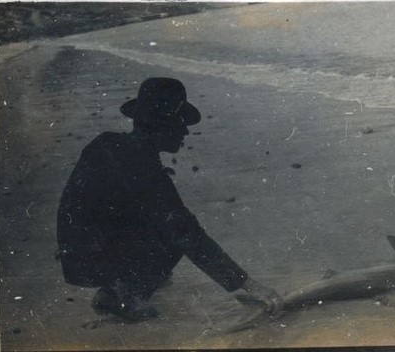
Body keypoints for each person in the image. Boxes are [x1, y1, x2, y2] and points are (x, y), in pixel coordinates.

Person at [56, 77, 282, 321]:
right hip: (93, 256)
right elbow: (185, 231)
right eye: (180, 123)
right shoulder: (142, 165)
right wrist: (248, 284)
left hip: (77, 253)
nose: (185, 131)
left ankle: (118, 288)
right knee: (177, 234)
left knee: (164, 226)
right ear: (162, 125)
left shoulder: (110, 144)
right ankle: (124, 295)